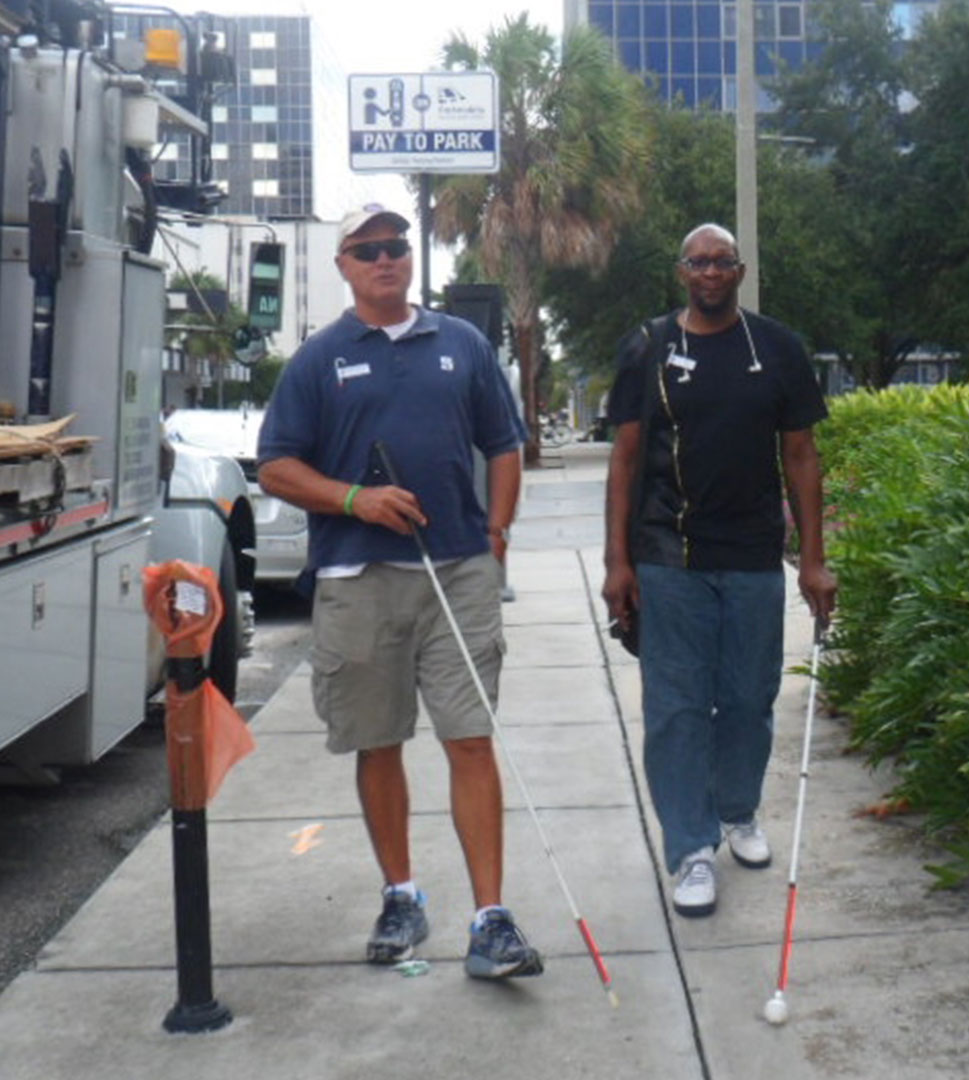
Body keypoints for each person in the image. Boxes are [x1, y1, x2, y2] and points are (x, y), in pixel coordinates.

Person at [257, 203, 543, 979]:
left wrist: (496, 539)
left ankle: (491, 920)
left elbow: (505, 445)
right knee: (379, 743)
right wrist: (357, 500)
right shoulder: (319, 359)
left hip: (458, 572)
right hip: (358, 578)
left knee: (470, 738)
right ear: (345, 266)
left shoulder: (463, 343)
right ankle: (402, 896)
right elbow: (276, 466)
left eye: (396, 247)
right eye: (367, 250)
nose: (386, 259)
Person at [602, 223, 837, 918]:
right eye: (698, 262)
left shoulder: (777, 348)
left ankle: (737, 813)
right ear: (681, 272)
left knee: (746, 700)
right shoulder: (648, 347)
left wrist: (814, 559)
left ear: (739, 271)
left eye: (722, 262)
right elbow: (624, 457)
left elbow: (801, 455)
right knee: (676, 709)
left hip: (754, 556)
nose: (710, 272)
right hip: (669, 555)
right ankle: (691, 848)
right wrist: (618, 561)